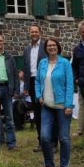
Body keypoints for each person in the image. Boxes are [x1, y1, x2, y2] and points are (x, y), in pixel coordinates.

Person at [36, 37, 74, 167]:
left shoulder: (64, 63)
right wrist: (39, 95)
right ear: (46, 49)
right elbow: (38, 81)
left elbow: (70, 85)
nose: (51, 47)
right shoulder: (42, 63)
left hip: (62, 107)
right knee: (45, 138)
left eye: (54, 45)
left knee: (63, 138)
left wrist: (69, 105)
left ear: (58, 47)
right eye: (49, 45)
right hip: (47, 107)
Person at [0, 34, 19, 151]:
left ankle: (11, 143)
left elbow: (15, 74)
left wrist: (16, 90)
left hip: (7, 88)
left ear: (3, 42)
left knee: (9, 117)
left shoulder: (9, 57)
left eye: (0, 41)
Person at [22, 23, 47, 152]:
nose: (34, 34)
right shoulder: (26, 50)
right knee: (37, 113)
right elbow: (26, 69)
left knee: (47, 112)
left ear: (40, 33)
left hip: (45, 82)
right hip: (32, 83)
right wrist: (26, 86)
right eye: (32, 32)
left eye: (36, 32)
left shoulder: (45, 47)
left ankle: (52, 142)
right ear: (29, 33)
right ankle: (41, 142)